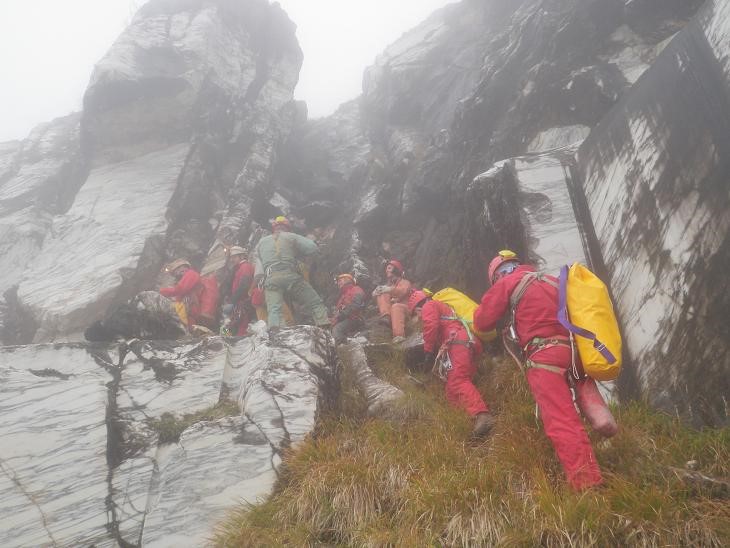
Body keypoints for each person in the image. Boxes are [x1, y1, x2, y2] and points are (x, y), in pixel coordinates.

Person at [473, 250, 617, 490]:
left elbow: (481, 321)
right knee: (579, 403)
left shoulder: (507, 283)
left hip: (545, 357)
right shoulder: (553, 280)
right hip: (575, 354)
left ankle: (587, 483)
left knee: (562, 420)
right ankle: (605, 426)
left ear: (498, 274)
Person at [409, 289, 495, 438]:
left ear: (418, 307)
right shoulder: (443, 307)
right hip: (466, 342)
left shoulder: (429, 306)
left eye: (416, 314)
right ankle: (467, 420)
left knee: (458, 380)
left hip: (456, 342)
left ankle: (482, 415)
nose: (418, 317)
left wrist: (428, 351)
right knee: (451, 388)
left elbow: (431, 326)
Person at [253, 216, 330, 329]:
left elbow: (260, 259)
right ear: (287, 227)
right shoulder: (291, 236)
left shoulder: (262, 242)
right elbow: (312, 248)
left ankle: (276, 332)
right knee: (315, 302)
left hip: (271, 278)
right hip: (290, 276)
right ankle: (324, 326)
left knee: (274, 309)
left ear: (274, 228)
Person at [373, 259, 412, 343]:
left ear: (396, 270)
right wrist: (376, 293)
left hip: (406, 309)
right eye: (386, 269)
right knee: (381, 292)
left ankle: (399, 335)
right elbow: (384, 295)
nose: (387, 270)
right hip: (392, 311)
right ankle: (386, 316)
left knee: (396, 306)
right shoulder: (388, 286)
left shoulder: (405, 282)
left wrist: (389, 289)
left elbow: (402, 291)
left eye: (389, 268)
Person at [222, 246, 254, 336]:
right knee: (228, 325)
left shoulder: (246, 267)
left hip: (242, 302)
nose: (232, 260)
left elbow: (244, 285)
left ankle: (239, 341)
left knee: (242, 325)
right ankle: (230, 340)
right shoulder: (238, 268)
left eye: (234, 257)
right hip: (237, 302)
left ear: (242, 256)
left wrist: (232, 301)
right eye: (231, 257)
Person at [331, 273, 366, 344]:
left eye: (340, 280)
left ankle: (344, 347)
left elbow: (356, 305)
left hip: (355, 318)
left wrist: (340, 315)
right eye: (338, 282)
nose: (338, 283)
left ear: (348, 280)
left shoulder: (356, 289)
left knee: (337, 330)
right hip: (346, 319)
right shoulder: (343, 296)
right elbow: (339, 312)